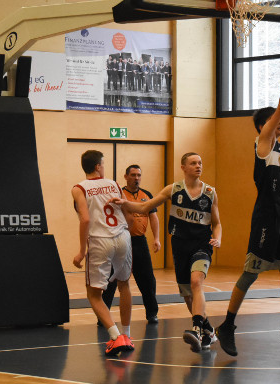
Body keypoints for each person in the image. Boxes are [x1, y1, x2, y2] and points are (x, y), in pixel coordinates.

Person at [215, 45, 280, 357]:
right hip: (266, 218)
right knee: (251, 272)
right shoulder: (263, 140)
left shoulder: (279, 150)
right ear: (263, 126)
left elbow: (274, 173)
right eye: (273, 119)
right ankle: (227, 325)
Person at [117, 152, 222, 352]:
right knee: (187, 295)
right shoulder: (173, 190)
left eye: (200, 162)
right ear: (183, 167)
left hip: (202, 244)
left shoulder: (209, 192)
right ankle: (209, 331)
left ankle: (197, 329)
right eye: (193, 163)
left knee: (196, 282)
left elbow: (217, 223)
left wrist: (218, 237)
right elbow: (146, 206)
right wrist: (124, 204)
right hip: (180, 246)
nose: (198, 166)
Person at [72, 150, 140, 356]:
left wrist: (81, 251)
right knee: (124, 284)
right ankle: (127, 334)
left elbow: (85, 219)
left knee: (93, 294)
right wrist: (128, 234)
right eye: (103, 163)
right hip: (122, 236)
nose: (104, 166)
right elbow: (127, 213)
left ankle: (115, 336)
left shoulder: (79, 188)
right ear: (97, 167)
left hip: (100, 239)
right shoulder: (114, 184)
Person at [102, 164, 161, 324]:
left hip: (139, 242)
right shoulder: (119, 194)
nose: (136, 178)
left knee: (147, 280)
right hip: (121, 241)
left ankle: (152, 313)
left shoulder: (146, 195)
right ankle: (103, 316)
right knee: (112, 279)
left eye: (139, 175)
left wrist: (156, 238)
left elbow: (154, 218)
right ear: (126, 176)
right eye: (133, 175)